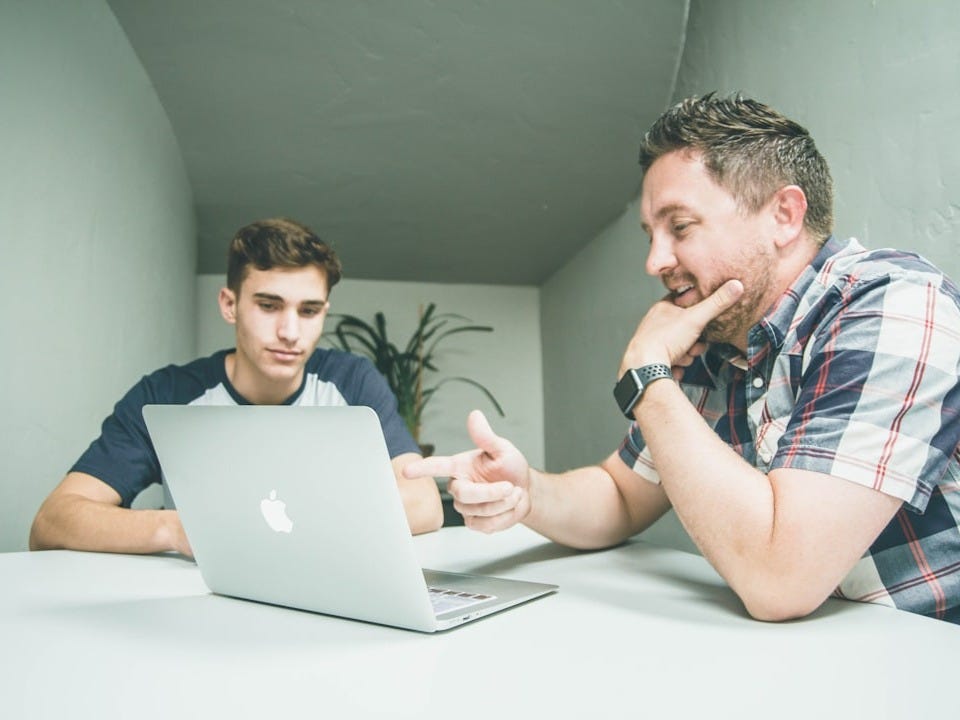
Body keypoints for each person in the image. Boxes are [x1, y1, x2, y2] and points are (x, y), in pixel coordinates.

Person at [405, 93, 960, 623]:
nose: (655, 260)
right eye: (651, 234)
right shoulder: (717, 341)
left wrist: (647, 375)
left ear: (784, 216)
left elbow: (781, 580)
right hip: (814, 654)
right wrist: (528, 492)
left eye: (681, 227)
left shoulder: (894, 305)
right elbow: (621, 494)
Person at [31, 217, 443, 556]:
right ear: (230, 305)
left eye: (309, 310)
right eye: (268, 305)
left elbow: (424, 505)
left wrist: (282, 523)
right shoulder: (167, 394)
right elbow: (53, 520)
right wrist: (178, 530)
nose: (289, 331)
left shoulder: (351, 381)